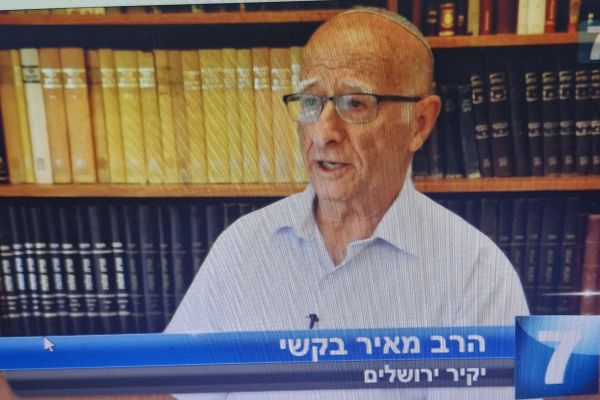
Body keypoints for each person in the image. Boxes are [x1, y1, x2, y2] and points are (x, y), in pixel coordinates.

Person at [166, 7, 528, 399]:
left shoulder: (476, 273)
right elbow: (176, 389)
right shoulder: (241, 247)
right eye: (310, 102)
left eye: (354, 103)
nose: (323, 133)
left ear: (419, 122)